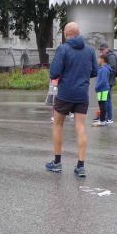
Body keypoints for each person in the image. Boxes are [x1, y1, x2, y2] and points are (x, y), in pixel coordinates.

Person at [45, 22, 97, 178]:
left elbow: (54, 73)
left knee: (58, 125)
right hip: (82, 95)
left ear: (66, 34)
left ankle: (57, 163)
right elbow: (95, 71)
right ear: (78, 33)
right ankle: (80, 166)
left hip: (65, 94)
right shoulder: (90, 50)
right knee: (80, 127)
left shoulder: (63, 49)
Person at [98, 43, 117, 124]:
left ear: (107, 48)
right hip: (107, 81)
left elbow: (113, 69)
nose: (101, 51)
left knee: (107, 100)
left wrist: (105, 71)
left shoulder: (111, 56)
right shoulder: (106, 56)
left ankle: (108, 117)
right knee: (104, 100)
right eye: (100, 50)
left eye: (102, 50)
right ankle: (104, 116)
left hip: (109, 82)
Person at [93, 54, 111, 127]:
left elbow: (103, 81)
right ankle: (102, 120)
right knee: (102, 104)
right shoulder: (104, 68)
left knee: (102, 105)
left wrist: (97, 87)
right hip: (103, 89)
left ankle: (102, 121)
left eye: (99, 58)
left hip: (102, 89)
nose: (98, 60)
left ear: (102, 59)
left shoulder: (104, 69)